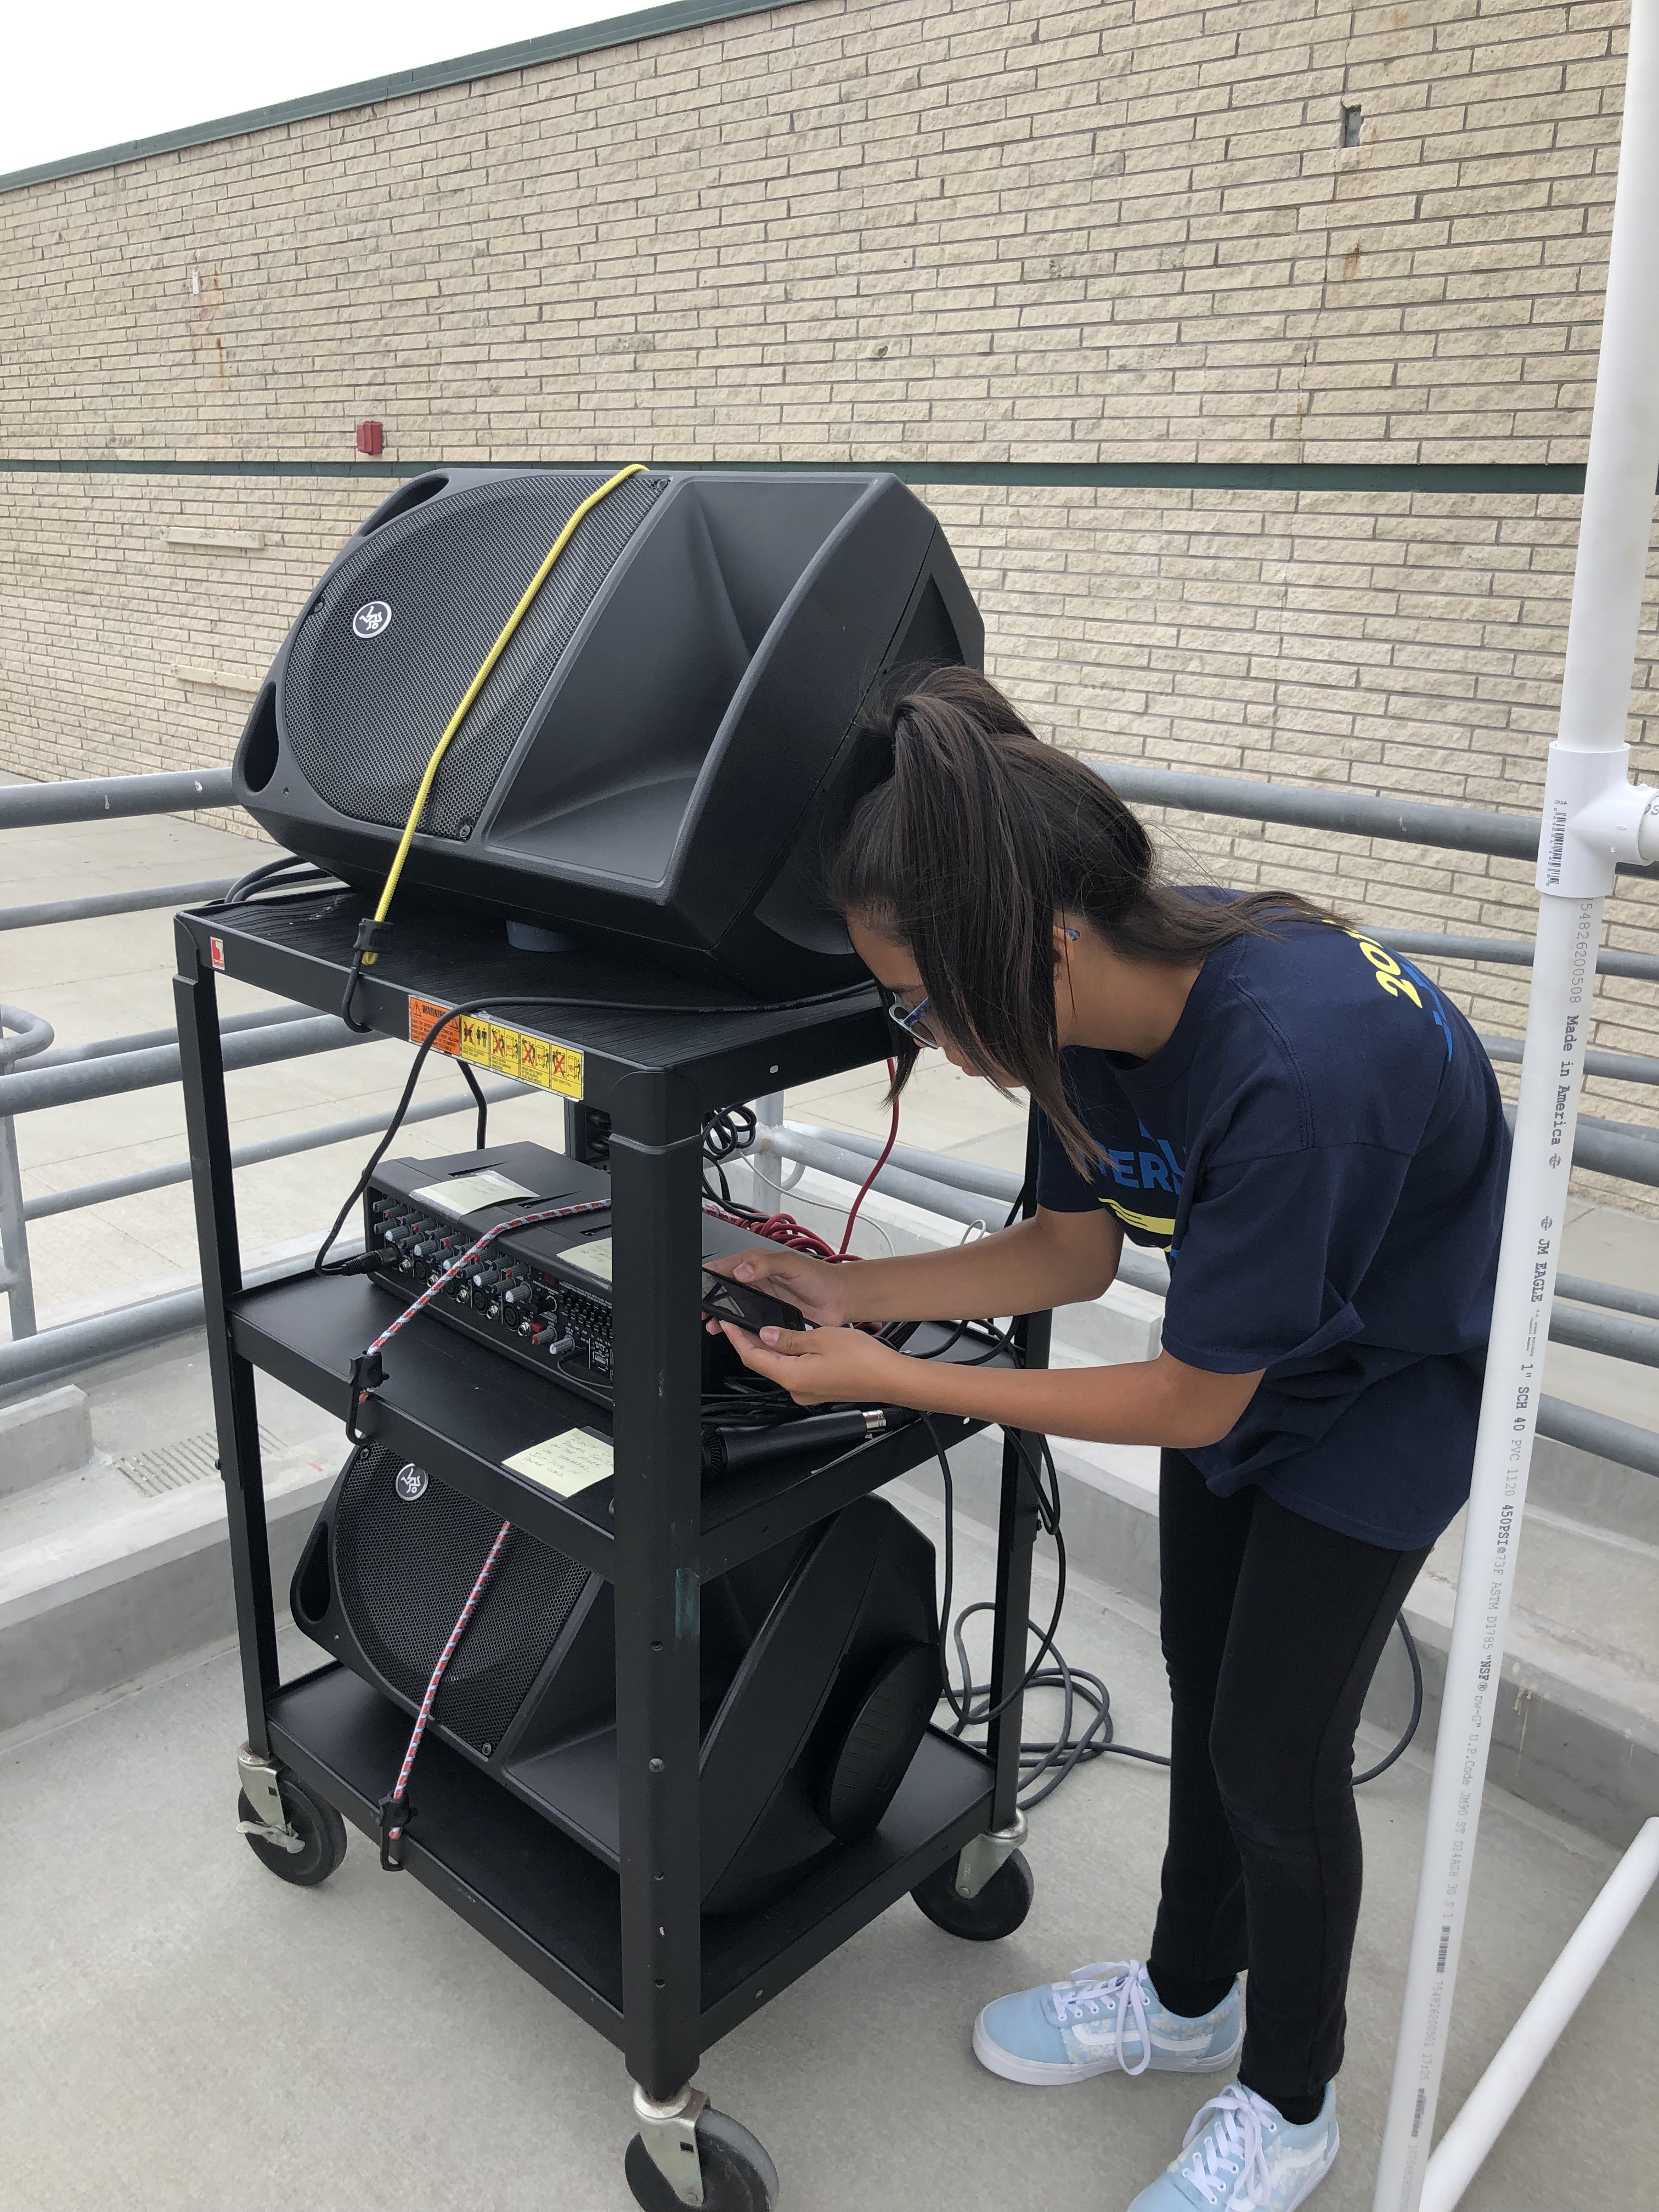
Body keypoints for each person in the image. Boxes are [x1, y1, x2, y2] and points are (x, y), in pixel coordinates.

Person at [707, 665, 1509, 2211]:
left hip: (1390, 1388)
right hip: (1255, 1345)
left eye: (926, 1002)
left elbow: (1189, 1397)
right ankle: (1187, 1997)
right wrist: (841, 1284)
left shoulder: (1301, 1064)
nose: (927, 1038)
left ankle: (1289, 2109)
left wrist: (893, 1377)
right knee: (1209, 1696)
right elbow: (1067, 1254)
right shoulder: (1071, 997)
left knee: (1276, 1759)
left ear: (1034, 944)